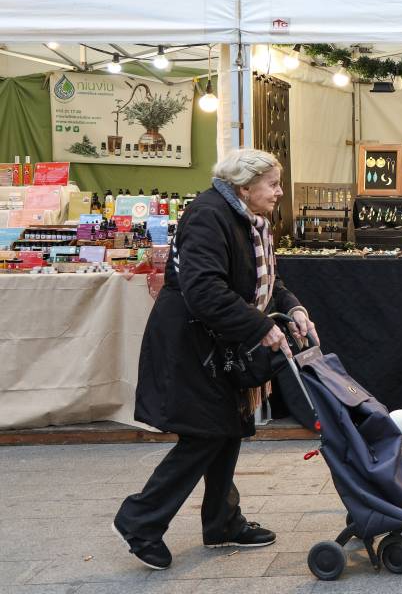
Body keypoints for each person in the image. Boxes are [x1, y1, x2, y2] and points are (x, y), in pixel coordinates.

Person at [114, 149, 317, 569]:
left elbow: (263, 280)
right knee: (206, 433)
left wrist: (292, 306)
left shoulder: (246, 221)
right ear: (244, 187)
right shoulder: (209, 216)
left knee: (226, 428)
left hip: (215, 340)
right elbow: (204, 289)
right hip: (190, 343)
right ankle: (140, 520)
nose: (280, 192)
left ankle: (222, 521)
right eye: (273, 184)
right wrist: (259, 327)